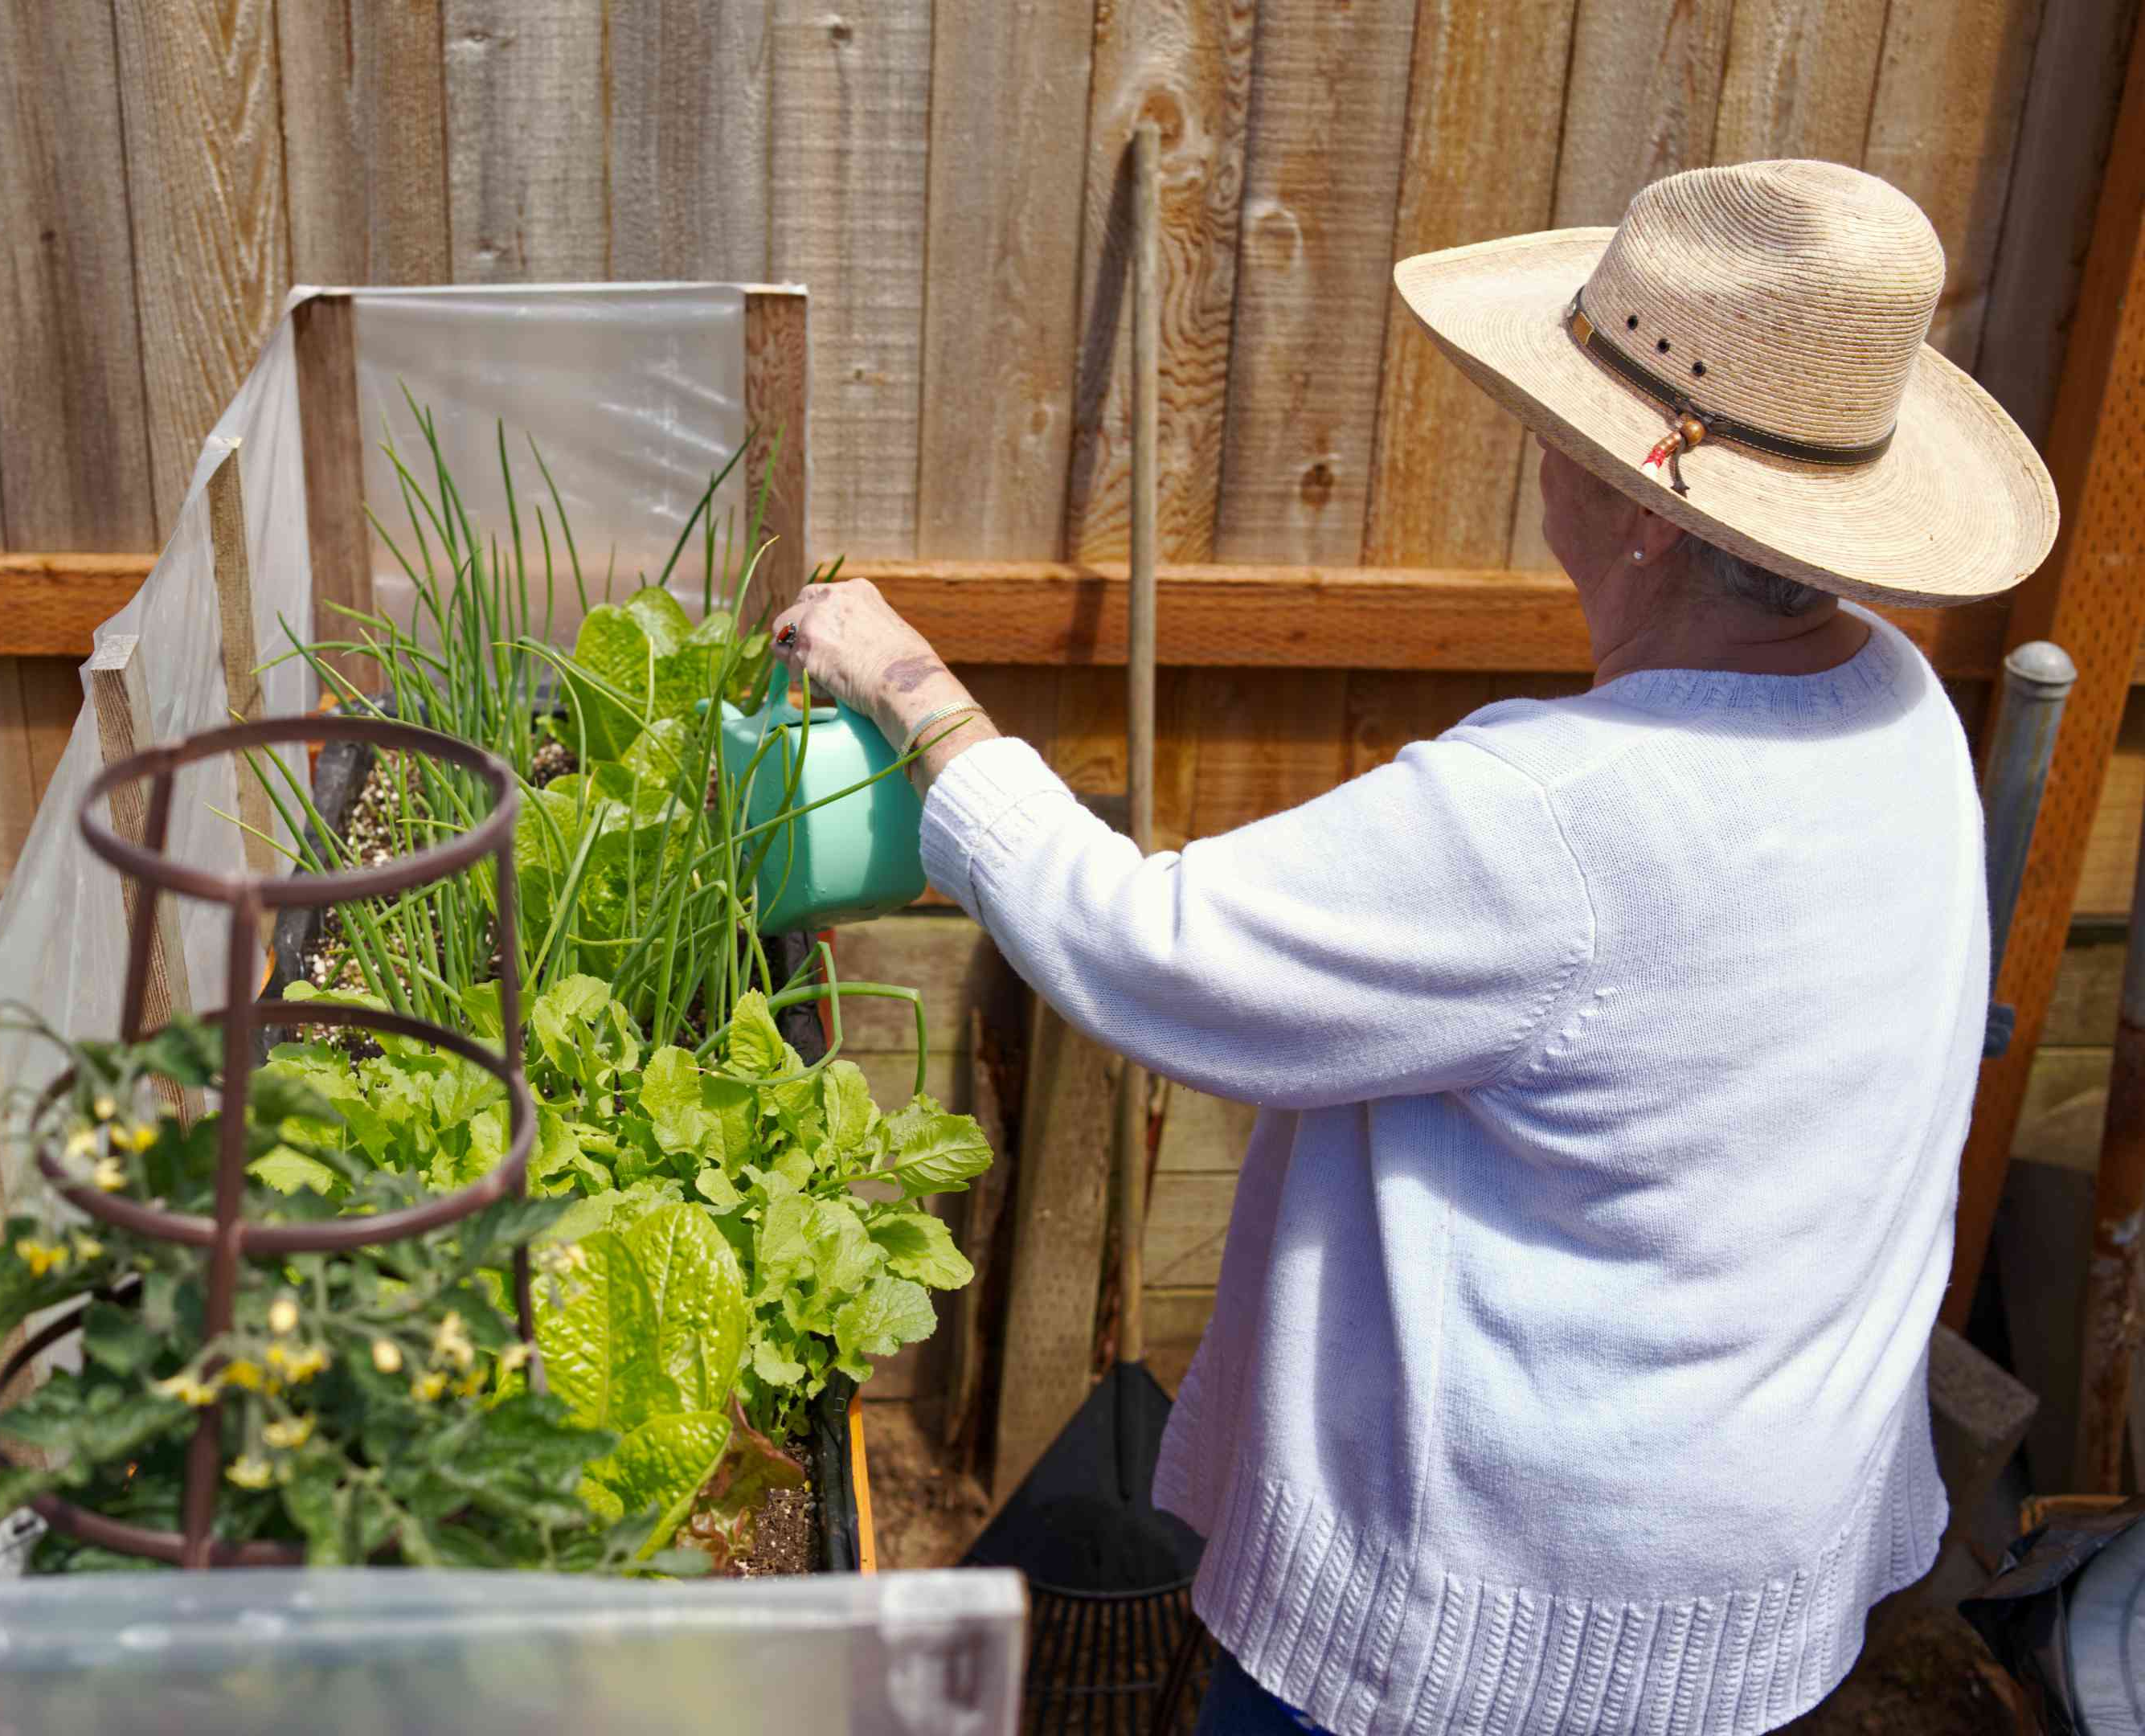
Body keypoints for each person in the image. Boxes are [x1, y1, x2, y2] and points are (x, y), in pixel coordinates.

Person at [767, 160, 2059, 1736]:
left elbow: (1152, 950)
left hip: (1510, 1630)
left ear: (1642, 517)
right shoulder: (1899, 707)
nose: (1538, 454)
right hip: (1759, 1576)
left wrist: (913, 691)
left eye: (1562, 425)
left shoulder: (1559, 815)